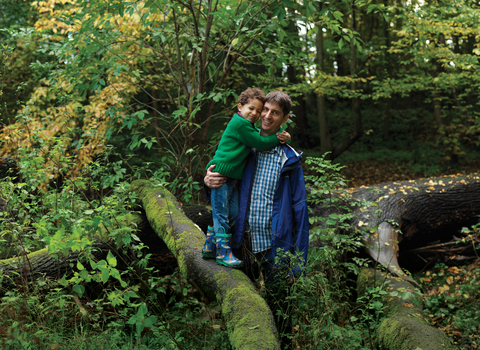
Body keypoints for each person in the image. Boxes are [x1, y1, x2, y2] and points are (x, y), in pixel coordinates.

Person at [204, 90, 309, 347]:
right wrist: (207, 180)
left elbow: (300, 211)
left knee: (281, 309)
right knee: (243, 307)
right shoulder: (246, 147)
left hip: (276, 246)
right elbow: (221, 174)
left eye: (275, 113)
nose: (267, 116)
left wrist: (299, 263)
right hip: (243, 244)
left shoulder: (289, 159)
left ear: (284, 118)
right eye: (265, 110)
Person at [202, 88, 291, 268]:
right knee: (221, 215)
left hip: (231, 179)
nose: (257, 114)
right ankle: (223, 252)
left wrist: (284, 137)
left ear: (284, 117)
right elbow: (258, 142)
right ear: (240, 106)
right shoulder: (241, 125)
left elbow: (253, 138)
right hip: (222, 176)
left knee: (230, 213)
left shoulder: (249, 129)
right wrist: (280, 137)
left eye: (259, 111)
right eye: (253, 109)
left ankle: (210, 245)